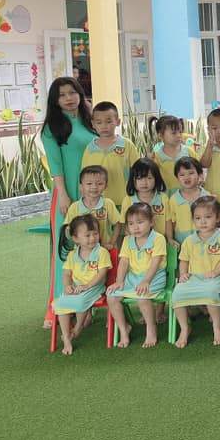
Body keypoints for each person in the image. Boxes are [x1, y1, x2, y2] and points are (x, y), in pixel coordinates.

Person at [41, 76, 96, 328]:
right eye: (62, 95)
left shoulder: (89, 120)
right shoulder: (51, 128)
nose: (69, 98)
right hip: (68, 194)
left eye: (72, 92)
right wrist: (63, 193)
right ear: (55, 100)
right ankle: (58, 308)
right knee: (66, 250)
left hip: (93, 192)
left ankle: (88, 304)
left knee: (92, 245)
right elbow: (55, 165)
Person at [170, 196, 220, 348]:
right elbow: (184, 260)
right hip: (193, 277)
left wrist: (216, 272)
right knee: (177, 293)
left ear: (217, 218)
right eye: (198, 218)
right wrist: (183, 273)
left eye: (208, 217)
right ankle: (185, 328)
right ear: (193, 220)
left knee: (210, 292)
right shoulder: (189, 240)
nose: (203, 222)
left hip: (214, 277)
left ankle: (217, 327)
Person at [106, 203, 167, 349]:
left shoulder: (158, 238)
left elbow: (155, 263)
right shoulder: (127, 240)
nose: (135, 227)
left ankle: (151, 328)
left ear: (151, 222)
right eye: (131, 223)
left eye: (140, 222)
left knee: (142, 297)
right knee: (111, 296)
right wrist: (119, 281)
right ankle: (124, 329)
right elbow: (124, 262)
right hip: (133, 277)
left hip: (154, 277)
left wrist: (146, 281)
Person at [52, 214, 111, 355]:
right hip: (77, 287)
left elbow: (102, 273)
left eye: (95, 234)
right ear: (75, 238)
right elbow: (66, 274)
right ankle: (66, 337)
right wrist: (67, 286)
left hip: (94, 287)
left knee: (80, 302)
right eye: (87, 235)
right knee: (60, 304)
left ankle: (78, 328)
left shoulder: (101, 252)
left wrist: (87, 286)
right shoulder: (72, 255)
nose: (92, 238)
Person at [81, 101, 140, 207]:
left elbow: (138, 171)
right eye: (99, 122)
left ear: (118, 121)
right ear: (93, 124)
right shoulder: (89, 149)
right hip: (98, 204)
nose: (104, 126)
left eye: (108, 121)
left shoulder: (127, 145)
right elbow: (84, 177)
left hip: (124, 202)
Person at [63, 165, 121, 249]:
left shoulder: (108, 204)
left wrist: (112, 242)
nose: (94, 187)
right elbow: (68, 230)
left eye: (99, 183)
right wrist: (76, 241)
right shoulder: (74, 207)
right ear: (81, 186)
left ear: (106, 186)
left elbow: (118, 224)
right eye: (89, 183)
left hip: (104, 249)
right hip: (82, 251)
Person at [120, 158, 170, 243]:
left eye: (149, 178)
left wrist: (170, 238)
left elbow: (168, 221)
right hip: (137, 243)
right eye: (139, 178)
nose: (144, 182)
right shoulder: (128, 200)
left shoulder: (163, 198)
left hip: (160, 242)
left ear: (156, 178)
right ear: (133, 180)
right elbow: (124, 224)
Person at [168, 157, 211, 245]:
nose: (186, 177)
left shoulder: (207, 197)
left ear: (200, 175)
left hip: (204, 243)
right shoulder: (174, 200)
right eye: (182, 175)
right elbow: (172, 223)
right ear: (177, 178)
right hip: (182, 243)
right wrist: (170, 238)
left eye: (191, 173)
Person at [149, 115, 197, 192]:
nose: (178, 135)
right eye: (174, 133)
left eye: (180, 132)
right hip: (166, 197)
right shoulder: (156, 157)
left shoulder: (189, 152)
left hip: (188, 196)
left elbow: (199, 172)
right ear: (160, 135)